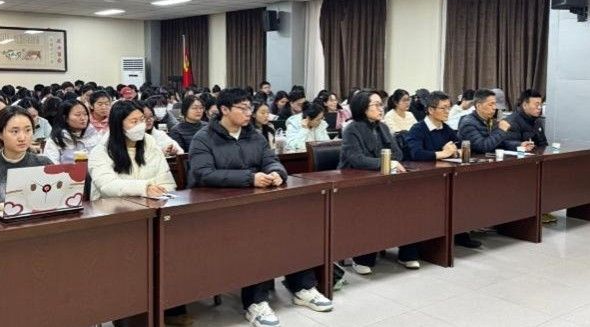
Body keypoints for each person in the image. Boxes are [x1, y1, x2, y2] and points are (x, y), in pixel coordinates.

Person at [189, 88, 332, 327]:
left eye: (250, 108)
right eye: (243, 108)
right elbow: (204, 174)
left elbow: (272, 161)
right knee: (256, 234)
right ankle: (256, 301)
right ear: (224, 110)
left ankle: (303, 286)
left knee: (297, 225)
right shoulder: (203, 138)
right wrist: (250, 178)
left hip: (255, 204)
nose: (249, 113)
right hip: (219, 209)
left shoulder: (254, 135)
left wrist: (276, 173)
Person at [338, 90, 411, 273]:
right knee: (371, 207)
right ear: (363, 107)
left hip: (380, 181)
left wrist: (390, 162)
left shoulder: (382, 127)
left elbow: (398, 154)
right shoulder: (352, 129)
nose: (381, 108)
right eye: (377, 105)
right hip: (354, 185)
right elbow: (356, 159)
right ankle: (361, 257)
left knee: (411, 202)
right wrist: (386, 163)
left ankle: (407, 253)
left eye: (381, 104)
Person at [406, 91, 482, 249]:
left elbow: (458, 145)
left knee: (462, 194)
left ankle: (459, 232)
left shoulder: (445, 128)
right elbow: (416, 153)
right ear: (431, 110)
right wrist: (443, 153)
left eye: (449, 107)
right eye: (443, 108)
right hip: (424, 179)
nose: (448, 111)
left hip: (445, 175)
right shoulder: (418, 129)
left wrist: (457, 151)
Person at [88, 101, 176, 201]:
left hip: (151, 204)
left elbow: (166, 180)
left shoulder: (151, 144)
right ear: (119, 125)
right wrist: (144, 188)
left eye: (142, 119)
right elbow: (107, 185)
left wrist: (163, 193)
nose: (141, 125)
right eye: (134, 121)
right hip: (112, 206)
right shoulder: (101, 151)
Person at [0, 106, 53, 210]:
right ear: (0, 134)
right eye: (15, 131)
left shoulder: (44, 164)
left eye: (28, 130)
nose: (22, 138)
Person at [503, 89, 553, 224]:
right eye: (536, 104)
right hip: (517, 164)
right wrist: (520, 145)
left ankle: (541, 209)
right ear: (525, 105)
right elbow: (507, 143)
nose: (539, 107)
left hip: (534, 161)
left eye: (541, 104)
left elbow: (543, 143)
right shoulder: (512, 121)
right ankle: (532, 212)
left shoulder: (537, 121)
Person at [42, 99, 101, 164]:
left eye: (85, 114)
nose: (83, 118)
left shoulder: (94, 134)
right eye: (78, 115)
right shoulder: (56, 140)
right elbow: (52, 166)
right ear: (65, 118)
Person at [458, 89, 512, 153]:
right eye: (490, 105)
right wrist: (501, 131)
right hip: (475, 158)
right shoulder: (468, 123)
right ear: (478, 106)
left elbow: (500, 143)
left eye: (495, 104)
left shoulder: (491, 120)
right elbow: (482, 147)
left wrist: (519, 145)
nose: (494, 108)